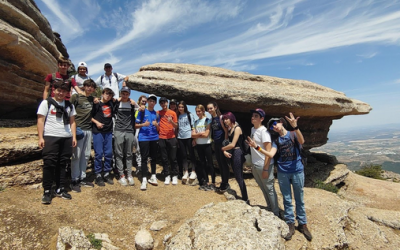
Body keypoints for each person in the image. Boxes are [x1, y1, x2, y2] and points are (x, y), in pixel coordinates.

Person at [254, 113, 312, 241]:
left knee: (299, 199)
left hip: (297, 170)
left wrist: (295, 127)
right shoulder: (276, 141)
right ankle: (290, 223)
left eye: (275, 124)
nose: (274, 127)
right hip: (283, 172)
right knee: (287, 199)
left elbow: (302, 141)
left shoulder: (292, 134)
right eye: (271, 127)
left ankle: (302, 224)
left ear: (281, 122)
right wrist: (257, 147)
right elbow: (270, 154)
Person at [37, 82, 77, 204]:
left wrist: (73, 136)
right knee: (49, 163)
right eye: (59, 90)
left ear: (67, 93)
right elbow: (40, 120)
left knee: (63, 164)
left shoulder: (69, 105)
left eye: (64, 91)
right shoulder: (46, 103)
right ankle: (47, 190)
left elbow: (72, 122)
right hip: (50, 136)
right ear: (54, 90)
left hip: (66, 137)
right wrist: (40, 137)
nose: (61, 93)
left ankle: (60, 188)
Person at [245, 108, 279, 216]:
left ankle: (276, 213)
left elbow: (268, 152)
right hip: (256, 164)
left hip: (264, 165)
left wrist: (265, 169)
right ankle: (270, 208)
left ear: (262, 119)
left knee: (269, 189)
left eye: (256, 116)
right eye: (253, 116)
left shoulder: (264, 132)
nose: (253, 117)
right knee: (264, 188)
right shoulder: (253, 129)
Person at [69, 79, 97, 192]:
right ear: (84, 86)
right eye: (87, 86)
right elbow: (69, 111)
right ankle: (74, 180)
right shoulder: (76, 97)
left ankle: (82, 177)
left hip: (88, 130)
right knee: (76, 155)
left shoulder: (92, 99)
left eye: (92, 87)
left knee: (85, 155)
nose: (89, 88)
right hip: (78, 129)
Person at [221, 112, 248, 203]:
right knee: (237, 176)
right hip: (233, 152)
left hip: (237, 152)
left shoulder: (237, 128)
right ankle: (244, 197)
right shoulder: (230, 129)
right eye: (224, 119)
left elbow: (232, 144)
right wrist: (225, 151)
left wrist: (222, 149)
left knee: (239, 176)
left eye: (227, 119)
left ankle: (245, 198)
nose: (225, 121)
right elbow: (227, 142)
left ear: (231, 118)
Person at [91, 88, 116, 186]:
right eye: (106, 94)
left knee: (109, 153)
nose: (108, 96)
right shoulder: (96, 104)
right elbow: (89, 116)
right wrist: (97, 123)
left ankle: (106, 173)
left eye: (110, 95)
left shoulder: (111, 104)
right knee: (99, 153)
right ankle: (98, 175)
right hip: (98, 131)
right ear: (102, 94)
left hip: (108, 131)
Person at [114, 87, 138, 186]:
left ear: (129, 94)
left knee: (129, 154)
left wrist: (134, 102)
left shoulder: (132, 104)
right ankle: (121, 175)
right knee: (119, 154)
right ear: (120, 94)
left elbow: (140, 108)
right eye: (123, 93)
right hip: (118, 130)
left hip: (129, 131)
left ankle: (129, 175)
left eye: (126, 94)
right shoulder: (116, 103)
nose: (125, 95)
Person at [135, 94, 160, 190]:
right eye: (150, 101)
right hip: (143, 138)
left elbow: (158, 128)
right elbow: (135, 125)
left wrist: (156, 125)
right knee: (144, 158)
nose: (152, 103)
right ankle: (144, 179)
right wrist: (143, 124)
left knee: (154, 158)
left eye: (154, 101)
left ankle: (153, 176)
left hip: (154, 138)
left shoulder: (156, 114)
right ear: (148, 102)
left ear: (155, 103)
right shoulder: (142, 111)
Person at [206, 102, 229, 191]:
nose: (209, 110)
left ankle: (225, 183)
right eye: (208, 109)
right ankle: (223, 182)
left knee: (223, 164)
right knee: (220, 163)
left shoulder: (221, 118)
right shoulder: (212, 119)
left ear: (215, 107)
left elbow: (226, 131)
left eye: (211, 108)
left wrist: (225, 143)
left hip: (222, 143)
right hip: (216, 143)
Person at [192, 104, 215, 191]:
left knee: (210, 163)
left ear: (203, 111)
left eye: (199, 111)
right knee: (202, 163)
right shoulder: (195, 122)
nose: (198, 113)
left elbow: (206, 134)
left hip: (207, 144)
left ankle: (213, 182)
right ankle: (206, 181)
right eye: (196, 111)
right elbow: (192, 134)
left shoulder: (207, 120)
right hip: (199, 145)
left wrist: (197, 135)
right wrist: (199, 134)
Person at [158, 97, 179, 185]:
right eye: (161, 103)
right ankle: (167, 175)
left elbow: (176, 126)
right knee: (164, 158)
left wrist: (171, 122)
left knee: (173, 158)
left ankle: (174, 175)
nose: (163, 104)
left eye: (164, 102)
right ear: (160, 104)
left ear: (167, 103)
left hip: (171, 137)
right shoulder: (158, 113)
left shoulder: (172, 113)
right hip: (162, 137)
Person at [176, 101, 197, 184]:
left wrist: (194, 138)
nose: (180, 108)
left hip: (189, 137)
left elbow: (193, 126)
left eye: (182, 107)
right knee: (184, 155)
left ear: (185, 107)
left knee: (191, 154)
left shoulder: (189, 115)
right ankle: (186, 172)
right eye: (179, 107)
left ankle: (193, 171)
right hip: (180, 137)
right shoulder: (178, 116)